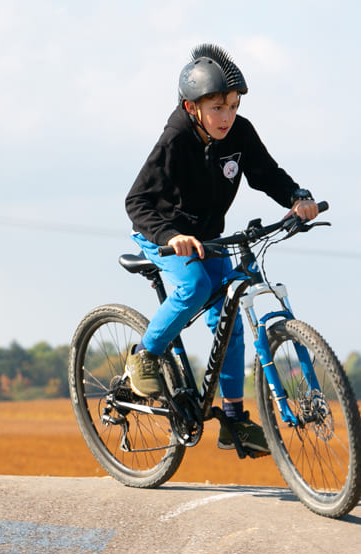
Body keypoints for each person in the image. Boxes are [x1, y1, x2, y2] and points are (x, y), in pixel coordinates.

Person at [124, 43, 318, 455]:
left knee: (228, 321)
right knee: (192, 287)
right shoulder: (176, 138)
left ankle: (232, 418)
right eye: (217, 107)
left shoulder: (240, 132)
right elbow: (137, 201)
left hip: (210, 238)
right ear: (192, 107)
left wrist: (297, 197)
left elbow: (267, 173)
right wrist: (169, 236)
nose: (227, 116)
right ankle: (144, 355)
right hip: (164, 236)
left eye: (232, 105)